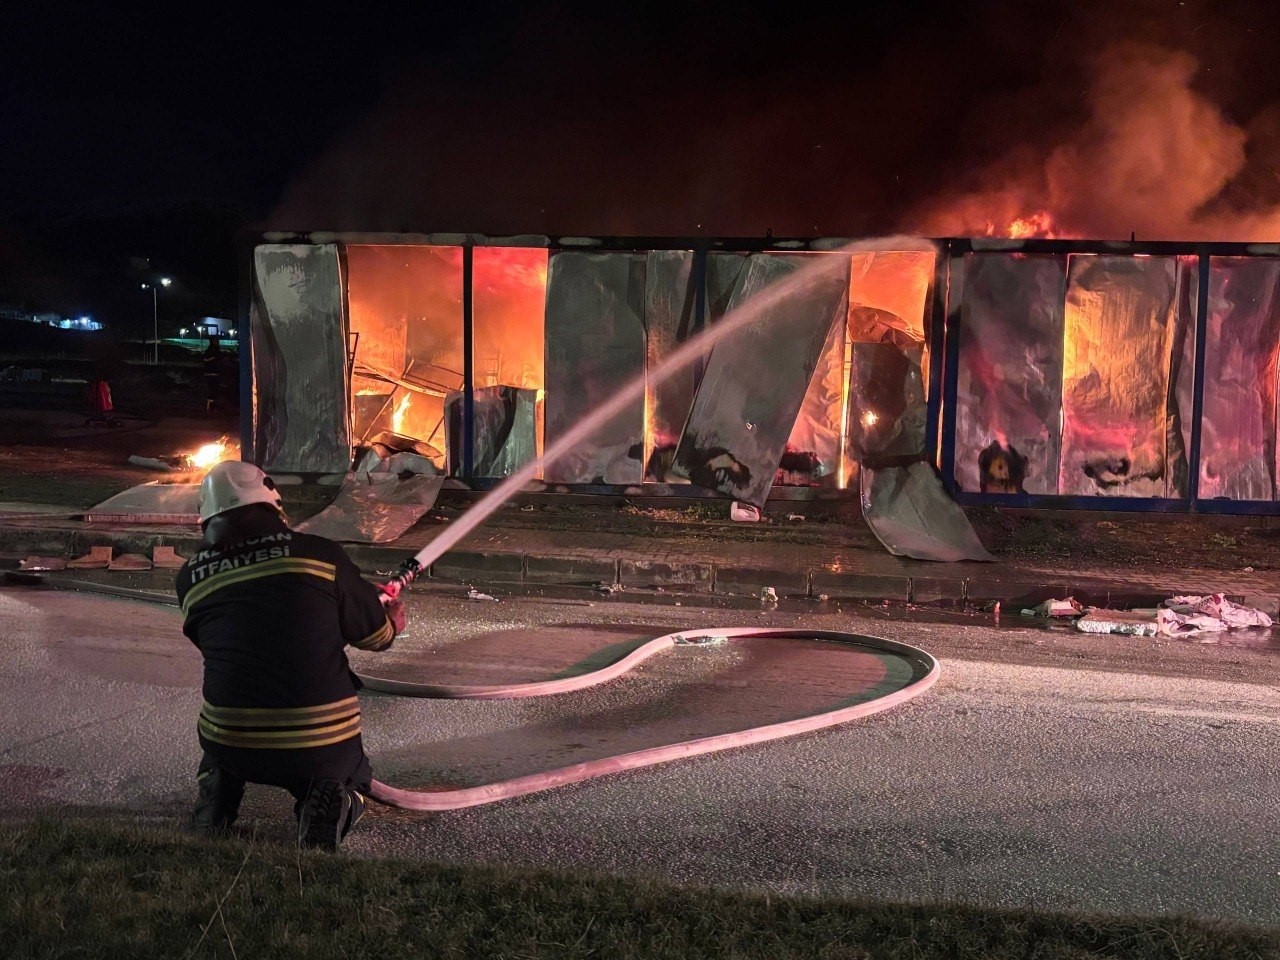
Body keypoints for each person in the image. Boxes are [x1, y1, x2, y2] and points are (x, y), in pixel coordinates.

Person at [176, 460, 406, 850]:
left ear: (208, 519)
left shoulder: (190, 577)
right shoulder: (320, 555)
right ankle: (333, 797)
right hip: (318, 744)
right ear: (273, 506)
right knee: (343, 771)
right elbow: (374, 638)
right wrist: (389, 619)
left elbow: (234, 644)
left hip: (230, 739)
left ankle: (216, 793)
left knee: (222, 751)